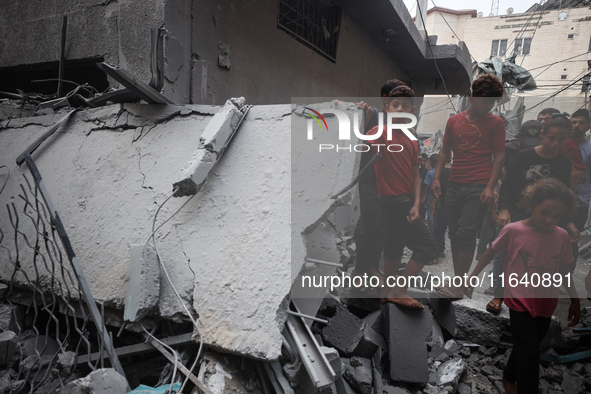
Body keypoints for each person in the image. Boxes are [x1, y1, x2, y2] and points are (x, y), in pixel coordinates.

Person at [466, 179, 580, 394]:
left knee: (529, 346)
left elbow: (565, 270)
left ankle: (509, 377)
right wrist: (472, 276)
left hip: (547, 302)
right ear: (531, 205)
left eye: (556, 216)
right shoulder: (513, 230)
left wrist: (574, 300)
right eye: (544, 212)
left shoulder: (562, 236)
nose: (549, 219)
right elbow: (491, 250)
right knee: (530, 353)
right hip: (519, 300)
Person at [431, 74, 506, 299]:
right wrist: (436, 178)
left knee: (465, 233)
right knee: (453, 234)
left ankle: (461, 282)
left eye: (493, 101)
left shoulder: (497, 123)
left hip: (478, 185)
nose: (489, 106)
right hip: (454, 183)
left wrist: (490, 187)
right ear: (472, 98)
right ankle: (459, 280)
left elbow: (499, 156)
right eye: (485, 100)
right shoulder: (454, 121)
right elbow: (445, 151)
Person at [366, 80, 438, 308]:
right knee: (428, 247)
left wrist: (417, 204)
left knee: (394, 246)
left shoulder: (412, 139)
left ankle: (388, 291)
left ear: (411, 111)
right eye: (394, 105)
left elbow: (416, 175)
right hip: (390, 202)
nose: (399, 109)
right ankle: (399, 290)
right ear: (387, 108)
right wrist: (363, 112)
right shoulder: (379, 132)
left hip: (407, 201)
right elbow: (358, 138)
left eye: (404, 106)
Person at [485, 120, 544, 314]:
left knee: (530, 256)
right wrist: (499, 208)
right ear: (518, 135)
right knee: (500, 252)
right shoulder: (508, 151)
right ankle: (498, 293)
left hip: (534, 210)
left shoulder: (543, 154)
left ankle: (521, 294)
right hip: (509, 206)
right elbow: (505, 183)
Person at [352, 80, 402, 285]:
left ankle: (372, 266)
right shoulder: (371, 114)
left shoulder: (400, 122)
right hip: (370, 178)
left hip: (390, 182)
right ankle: (359, 270)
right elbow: (353, 127)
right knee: (370, 224)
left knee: (383, 227)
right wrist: (358, 110)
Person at [537, 108, 585, 188]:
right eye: (540, 119)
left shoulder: (567, 144)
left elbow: (578, 172)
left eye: (547, 119)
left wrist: (565, 190)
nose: (543, 122)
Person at [421, 153, 438, 235]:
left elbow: (426, 186)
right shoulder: (441, 172)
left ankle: (432, 233)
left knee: (430, 217)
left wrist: (423, 196)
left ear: (431, 162)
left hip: (430, 198)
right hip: (438, 198)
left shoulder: (430, 173)